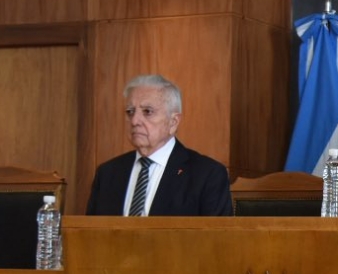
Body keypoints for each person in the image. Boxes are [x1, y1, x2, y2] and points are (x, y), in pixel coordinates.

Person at [85, 75, 233, 216]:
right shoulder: (107, 173)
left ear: (173, 122)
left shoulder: (207, 175)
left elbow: (216, 234)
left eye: (147, 112)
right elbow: (89, 231)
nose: (135, 121)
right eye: (130, 112)